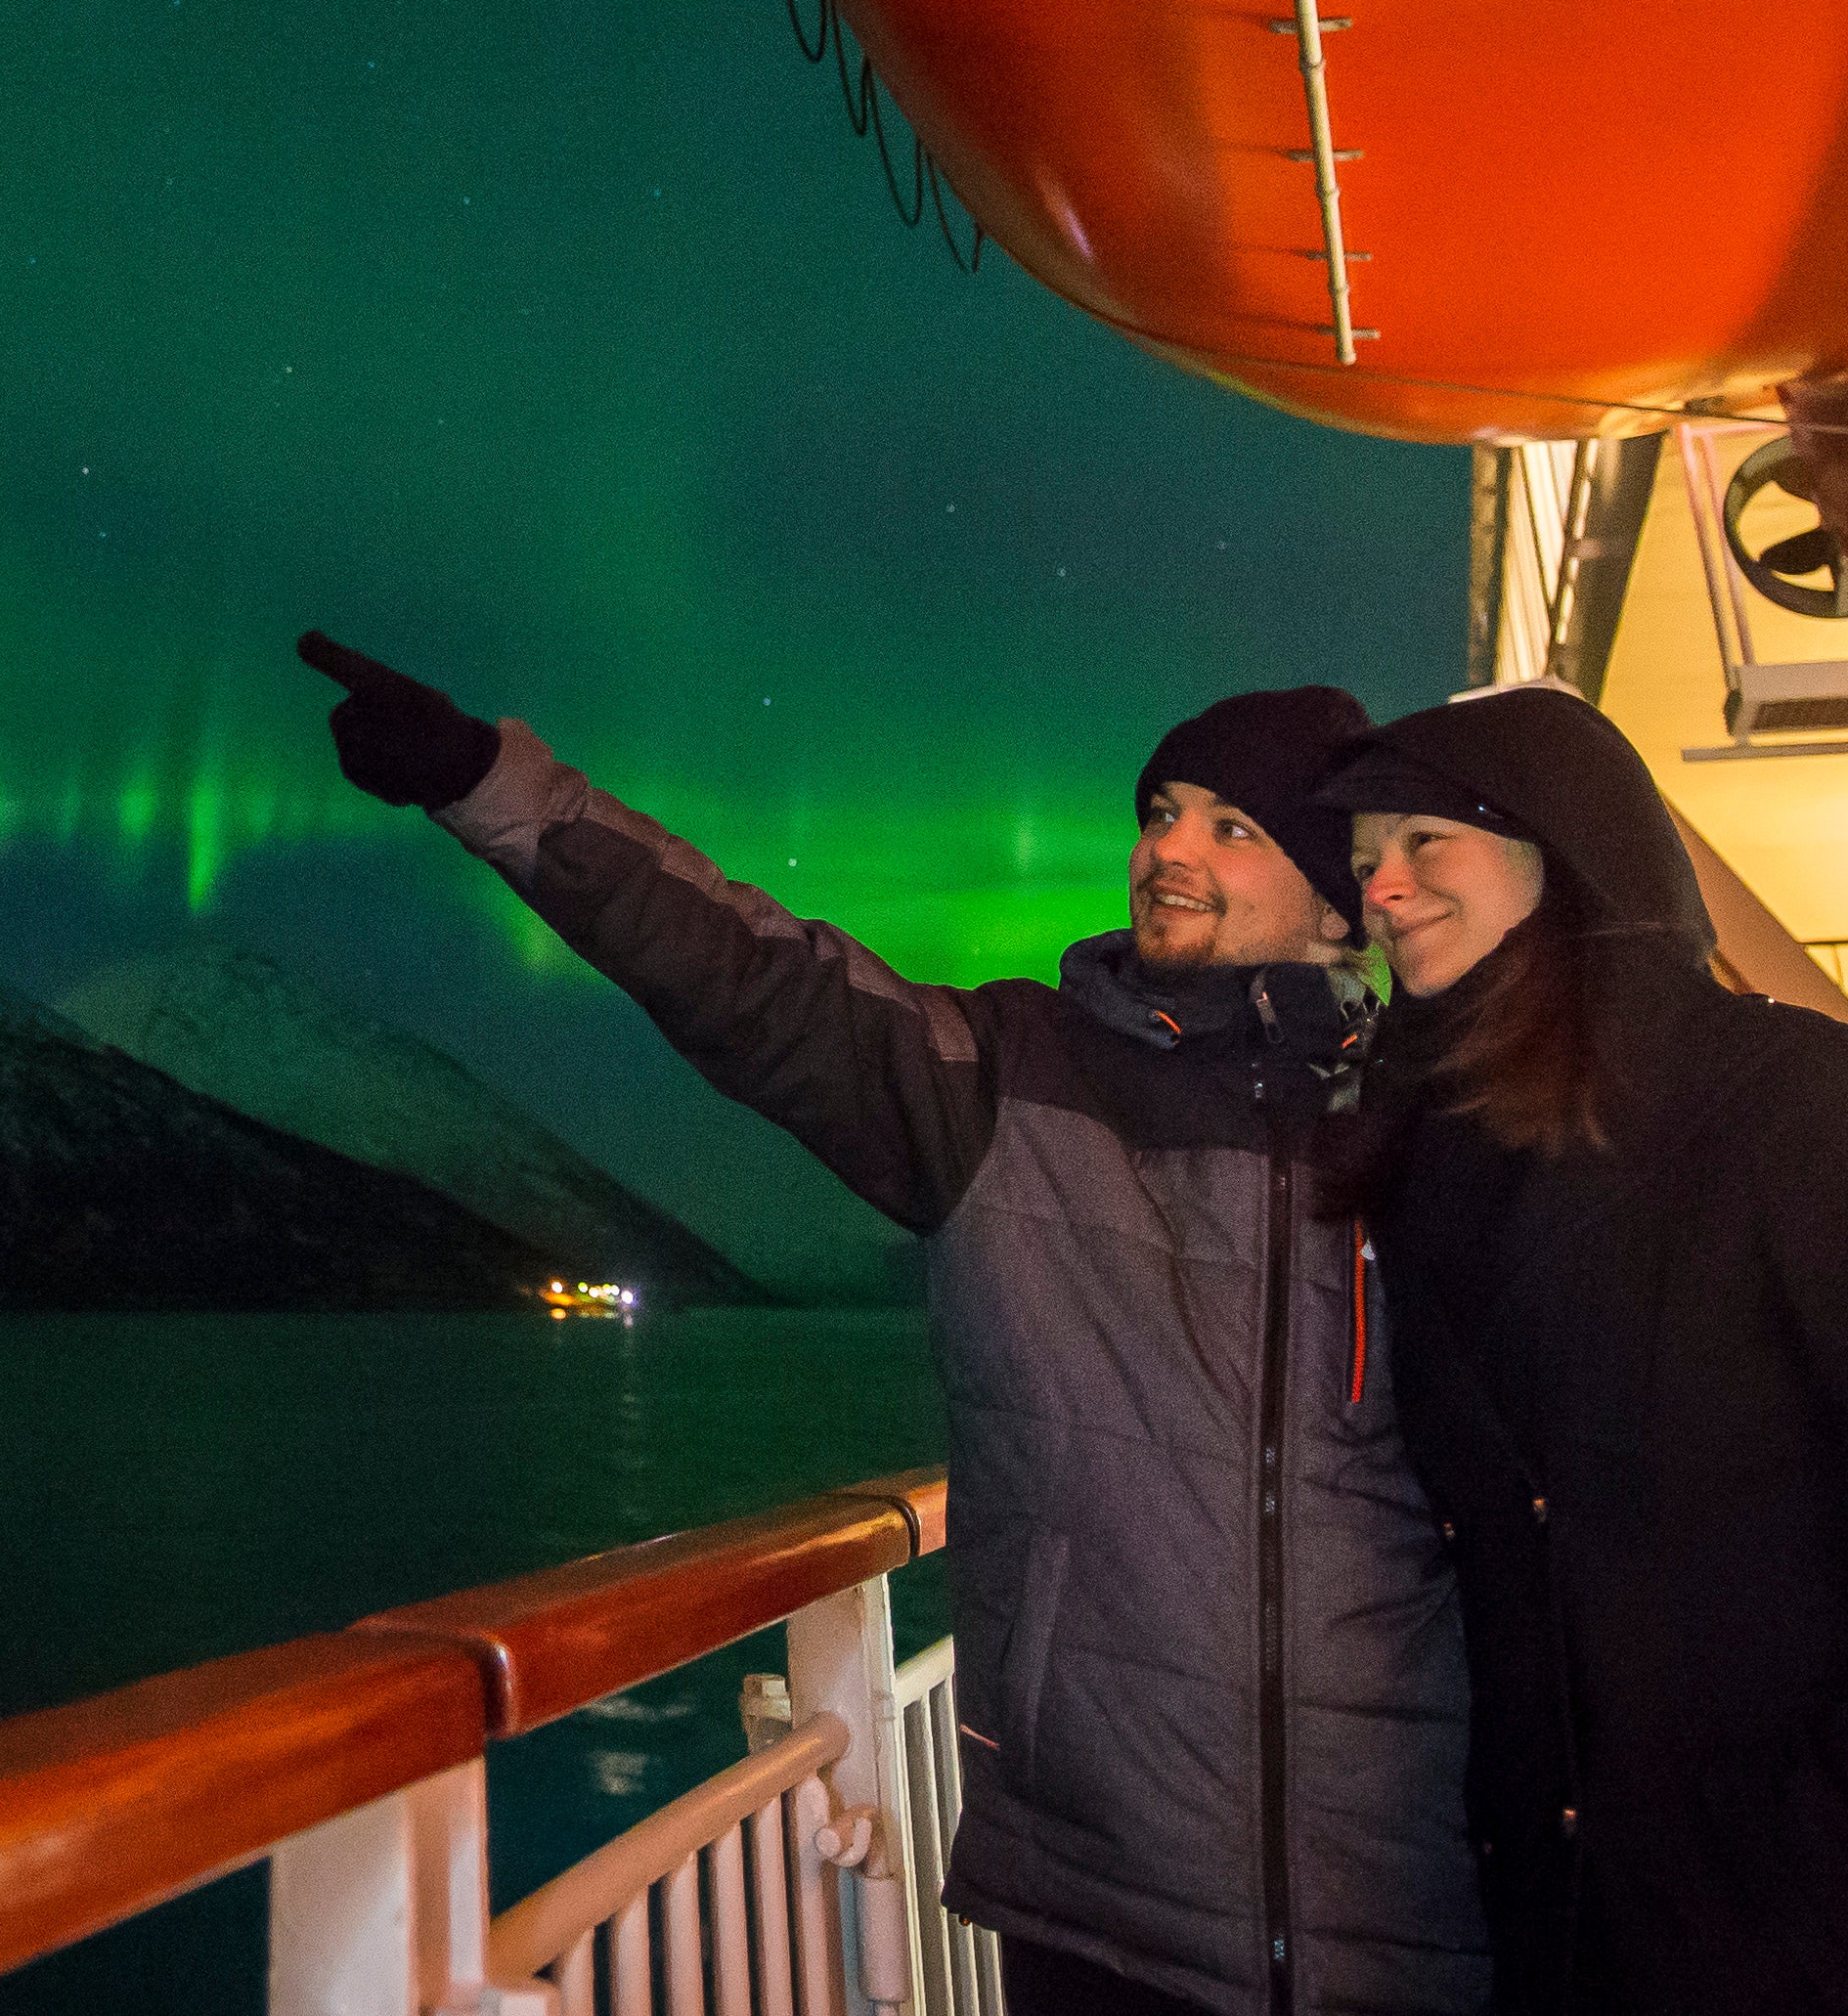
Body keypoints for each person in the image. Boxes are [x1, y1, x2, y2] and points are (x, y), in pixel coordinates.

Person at [298, 634, 1488, 2016]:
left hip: (1414, 1896)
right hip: (1114, 1903)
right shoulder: (1007, 1084)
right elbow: (750, 975)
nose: (1171, 850)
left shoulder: (1442, 1120)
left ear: (1343, 909)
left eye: (1232, 828)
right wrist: (490, 786)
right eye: (1159, 812)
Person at [1324, 686, 1848, 2016]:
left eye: (1429, 839)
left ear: (1569, 848)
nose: (1382, 884)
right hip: (1586, 1958)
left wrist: (1810, 1913)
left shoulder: (1797, 1109)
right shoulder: (1437, 1166)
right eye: (1369, 854)